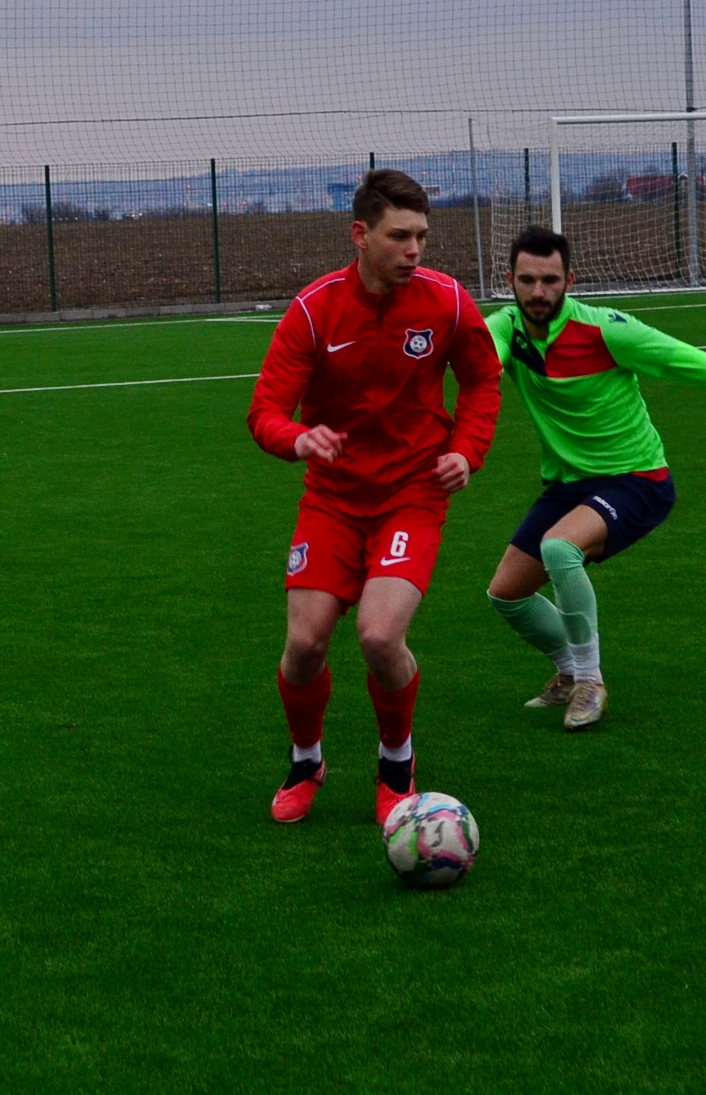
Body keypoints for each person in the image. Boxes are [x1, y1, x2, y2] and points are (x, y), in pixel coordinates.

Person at [247, 169, 502, 824]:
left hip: (412, 492)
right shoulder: (313, 309)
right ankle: (307, 758)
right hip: (332, 495)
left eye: (420, 235)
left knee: (379, 634)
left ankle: (396, 761)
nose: (414, 249)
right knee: (304, 644)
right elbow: (265, 411)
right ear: (360, 235)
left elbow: (480, 380)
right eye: (399, 235)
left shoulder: (446, 302)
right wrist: (298, 439)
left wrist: (465, 451)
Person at [484, 226, 706, 730]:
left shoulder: (608, 331)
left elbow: (696, 364)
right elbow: (483, 355)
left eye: (550, 280)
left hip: (637, 480)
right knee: (506, 593)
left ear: (570, 279)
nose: (538, 292)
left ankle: (591, 682)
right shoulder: (508, 327)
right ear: (509, 280)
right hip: (570, 484)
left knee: (558, 548)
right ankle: (569, 671)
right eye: (527, 280)